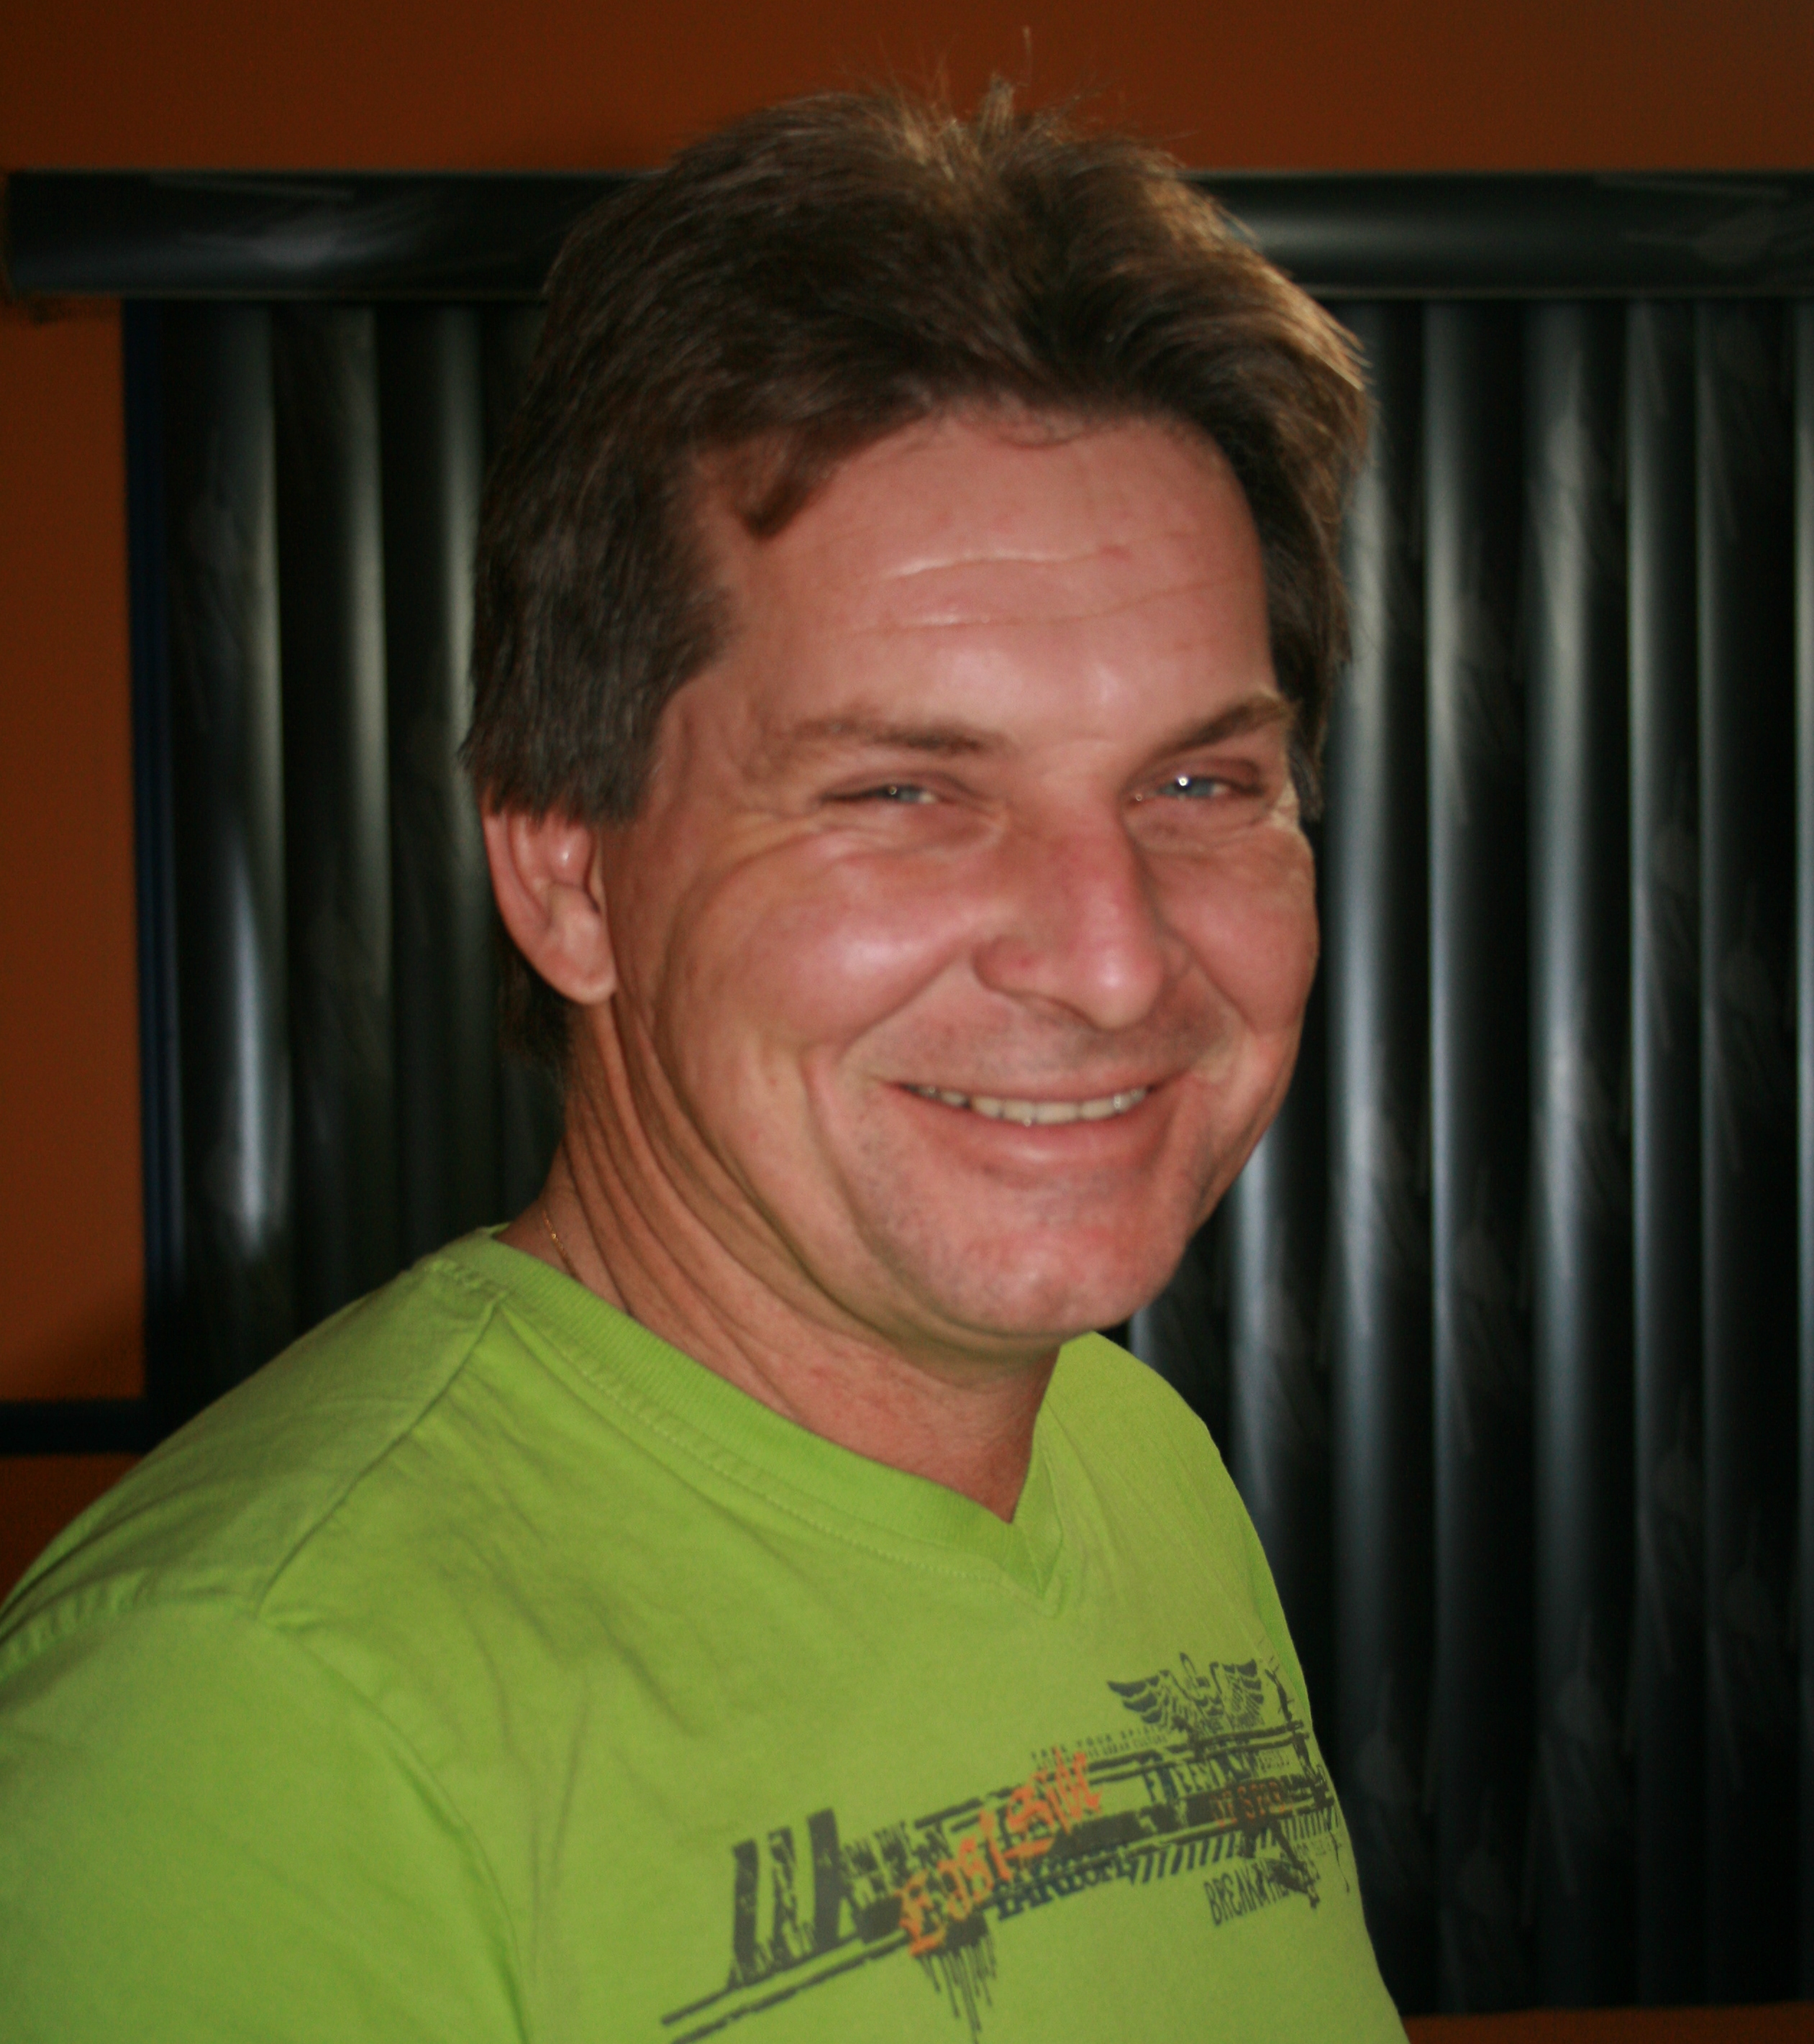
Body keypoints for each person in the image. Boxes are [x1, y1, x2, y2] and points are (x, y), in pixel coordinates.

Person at [0, 88, 1400, 2040]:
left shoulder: (1128, 1450)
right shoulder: (230, 1734)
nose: (1110, 961)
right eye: (903, 790)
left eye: (1197, 783)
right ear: (567, 875)